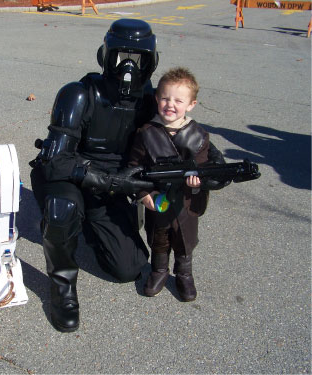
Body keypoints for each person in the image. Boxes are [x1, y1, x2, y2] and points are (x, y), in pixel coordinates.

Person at [30, 20, 226, 332]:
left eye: (138, 60)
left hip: (116, 184)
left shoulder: (152, 101)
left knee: (129, 267)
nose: (127, 68)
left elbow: (185, 134)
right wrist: (112, 183)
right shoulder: (79, 94)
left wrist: (211, 170)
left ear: (152, 63)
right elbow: (54, 161)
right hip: (70, 177)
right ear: (103, 56)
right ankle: (62, 289)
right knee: (62, 209)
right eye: (120, 57)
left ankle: (90, 226)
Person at [128, 66, 210, 302]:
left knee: (184, 240)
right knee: (159, 238)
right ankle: (159, 271)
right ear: (156, 99)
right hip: (158, 198)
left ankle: (184, 274)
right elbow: (135, 167)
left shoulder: (199, 136)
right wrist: (144, 193)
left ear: (191, 104)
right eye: (165, 98)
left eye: (178, 100)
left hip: (186, 201)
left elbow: (203, 168)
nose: (170, 105)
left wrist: (198, 182)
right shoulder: (146, 133)